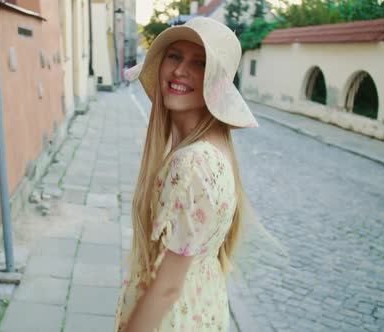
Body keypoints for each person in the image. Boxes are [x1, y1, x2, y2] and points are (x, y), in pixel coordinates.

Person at [114, 17, 283, 331]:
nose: (180, 70)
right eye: (174, 56)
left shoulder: (192, 162)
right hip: (204, 308)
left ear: (216, 82)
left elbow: (167, 287)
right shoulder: (216, 147)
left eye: (200, 62)